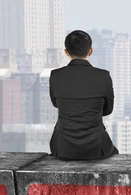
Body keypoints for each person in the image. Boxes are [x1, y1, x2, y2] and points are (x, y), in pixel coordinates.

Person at [49, 30, 119, 160]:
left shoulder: (56, 75)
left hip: (63, 147)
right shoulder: (103, 76)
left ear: (66, 52)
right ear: (90, 51)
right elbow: (108, 110)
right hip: (96, 147)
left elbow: (56, 104)